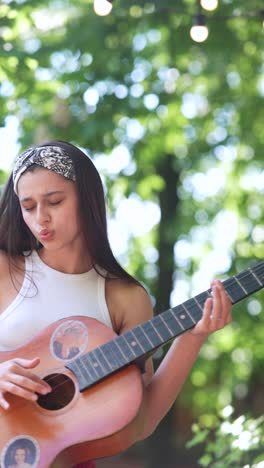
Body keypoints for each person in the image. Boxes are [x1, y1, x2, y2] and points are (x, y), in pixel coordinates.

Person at [0, 140, 232, 467]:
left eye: (54, 201)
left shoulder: (125, 298)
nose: (41, 218)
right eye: (28, 205)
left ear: (88, 199)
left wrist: (192, 337)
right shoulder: (4, 270)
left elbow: (141, 420)